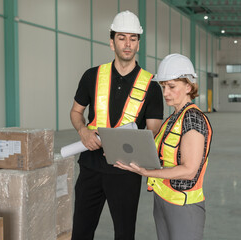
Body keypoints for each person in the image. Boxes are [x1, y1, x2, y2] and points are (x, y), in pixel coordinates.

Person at [70, 10, 164, 240]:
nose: (127, 44)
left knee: (124, 233)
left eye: (133, 38)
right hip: (91, 166)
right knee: (81, 231)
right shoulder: (92, 76)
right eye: (121, 37)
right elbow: (76, 112)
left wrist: (129, 140)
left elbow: (153, 129)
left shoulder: (151, 86)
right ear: (112, 42)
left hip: (126, 170)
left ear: (138, 44)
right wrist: (83, 130)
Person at [115, 53, 213, 240]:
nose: (165, 92)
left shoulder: (193, 119)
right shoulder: (172, 119)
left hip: (184, 207)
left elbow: (189, 171)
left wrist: (146, 172)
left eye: (171, 86)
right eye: (163, 86)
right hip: (162, 200)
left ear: (188, 86)